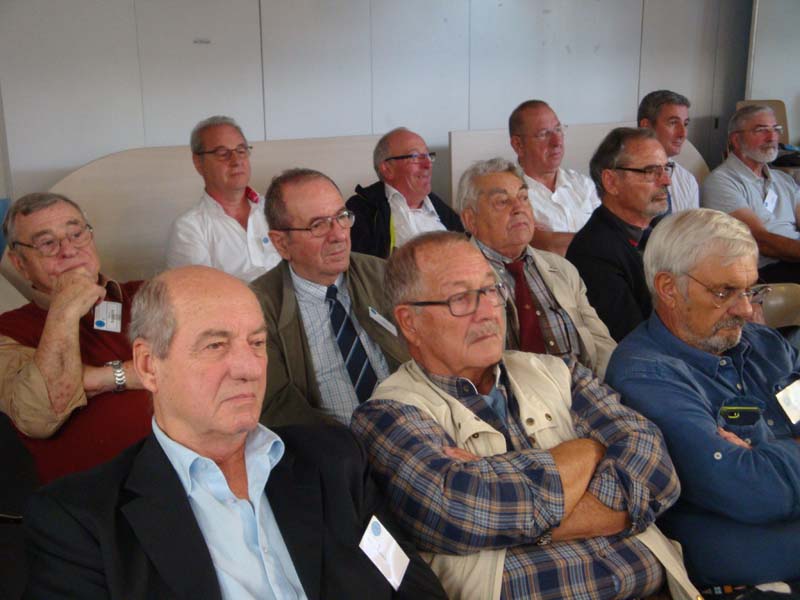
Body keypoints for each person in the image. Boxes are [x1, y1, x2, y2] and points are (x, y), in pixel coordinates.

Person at [24, 266, 447, 600]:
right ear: (150, 366)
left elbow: (406, 582)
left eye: (257, 343)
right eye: (216, 345)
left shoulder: (334, 461)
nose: (249, 368)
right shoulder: (81, 521)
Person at [351, 231, 699, 600]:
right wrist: (587, 451)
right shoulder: (386, 414)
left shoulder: (561, 372)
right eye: (461, 299)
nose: (488, 311)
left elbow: (656, 466)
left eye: (491, 290)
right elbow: (460, 510)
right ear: (409, 322)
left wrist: (509, 503)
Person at [606, 209, 800, 592]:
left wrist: (766, 457)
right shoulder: (645, 374)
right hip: (749, 574)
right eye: (724, 292)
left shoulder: (763, 344)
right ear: (668, 288)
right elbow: (753, 492)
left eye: (750, 290)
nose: (746, 310)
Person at [0, 193, 151, 483]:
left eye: (76, 234)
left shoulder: (147, 295)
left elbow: (203, 365)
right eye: (47, 243)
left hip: (196, 471)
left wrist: (97, 378)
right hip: (98, 496)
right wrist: (64, 309)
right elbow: (39, 416)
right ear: (19, 263)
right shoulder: (8, 330)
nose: (68, 250)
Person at [253, 168, 408, 427]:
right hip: (331, 442)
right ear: (281, 243)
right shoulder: (259, 309)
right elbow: (279, 407)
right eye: (318, 225)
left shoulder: (383, 275)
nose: (339, 235)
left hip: (414, 423)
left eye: (342, 217)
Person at [456, 157, 615, 377]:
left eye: (523, 197)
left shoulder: (561, 269)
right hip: (512, 393)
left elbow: (602, 345)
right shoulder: (455, 281)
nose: (519, 208)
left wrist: (613, 385)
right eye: (502, 201)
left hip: (586, 386)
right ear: (470, 220)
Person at [566, 127, 671, 341]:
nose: (666, 181)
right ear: (611, 182)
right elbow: (632, 339)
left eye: (666, 169)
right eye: (651, 171)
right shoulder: (594, 252)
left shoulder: (657, 234)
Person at [166, 115, 281, 281]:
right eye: (223, 153)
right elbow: (202, 293)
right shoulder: (189, 229)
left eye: (241, 151)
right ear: (198, 163)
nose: (236, 161)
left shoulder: (276, 209)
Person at [701, 104, 800, 283]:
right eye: (761, 130)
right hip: (762, 271)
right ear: (736, 140)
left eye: (775, 129)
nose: (772, 137)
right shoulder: (721, 182)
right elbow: (760, 242)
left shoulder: (784, 180)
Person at [346, 127, 463, 258]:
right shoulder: (363, 210)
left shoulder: (441, 208)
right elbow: (362, 265)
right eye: (415, 157)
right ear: (387, 169)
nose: (428, 165)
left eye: (428, 156)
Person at [508, 100, 601, 256]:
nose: (557, 142)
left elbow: (611, 234)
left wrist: (556, 239)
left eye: (558, 129)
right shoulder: (510, 196)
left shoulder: (583, 184)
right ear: (518, 144)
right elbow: (549, 246)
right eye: (544, 134)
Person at [638, 90, 698, 213]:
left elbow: (691, 226)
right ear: (646, 127)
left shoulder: (687, 180)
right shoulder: (621, 176)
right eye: (673, 123)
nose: (683, 134)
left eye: (685, 124)